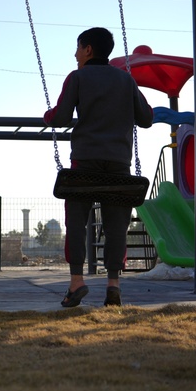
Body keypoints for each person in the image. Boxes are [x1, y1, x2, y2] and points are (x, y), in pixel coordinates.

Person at [43, 27, 153, 308]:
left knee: (76, 223)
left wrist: (48, 115)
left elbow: (61, 117)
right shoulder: (126, 80)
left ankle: (76, 282)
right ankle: (113, 286)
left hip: (85, 163)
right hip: (119, 163)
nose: (75, 54)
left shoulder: (77, 77)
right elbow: (146, 118)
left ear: (88, 49)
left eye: (78, 48)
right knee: (117, 227)